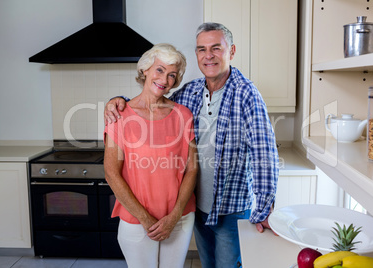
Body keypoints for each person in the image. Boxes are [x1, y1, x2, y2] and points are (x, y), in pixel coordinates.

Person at [105, 23, 279, 268]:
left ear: (232, 51)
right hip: (199, 209)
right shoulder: (190, 93)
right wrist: (120, 101)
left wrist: (264, 210)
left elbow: (265, 155)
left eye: (216, 48)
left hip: (231, 209)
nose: (208, 55)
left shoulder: (247, 94)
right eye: (202, 49)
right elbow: (154, 102)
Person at [103, 43, 198, 268]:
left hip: (179, 218)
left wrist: (174, 216)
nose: (165, 80)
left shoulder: (183, 115)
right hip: (136, 220)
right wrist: (145, 219)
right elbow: (111, 173)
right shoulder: (120, 115)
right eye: (160, 70)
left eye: (172, 75)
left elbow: (192, 169)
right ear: (145, 70)